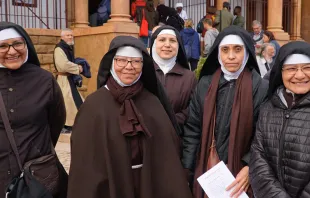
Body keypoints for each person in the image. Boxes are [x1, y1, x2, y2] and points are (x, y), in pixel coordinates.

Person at [67, 36, 192, 198]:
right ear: (112, 63)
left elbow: (167, 154)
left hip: (150, 185)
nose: (129, 67)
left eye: (136, 62)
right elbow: (84, 164)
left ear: (143, 65)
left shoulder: (152, 102)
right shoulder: (93, 106)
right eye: (121, 60)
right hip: (110, 186)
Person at [182, 26, 268, 198]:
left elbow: (264, 134)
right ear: (218, 54)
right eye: (225, 50)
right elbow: (193, 129)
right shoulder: (205, 85)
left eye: (238, 50)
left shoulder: (260, 87)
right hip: (207, 170)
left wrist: (250, 166)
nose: (231, 56)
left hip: (242, 172)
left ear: (247, 53)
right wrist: (187, 169)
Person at [0, 22, 67, 197]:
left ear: (26, 44)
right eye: (3, 46)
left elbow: (56, 121)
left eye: (17, 44)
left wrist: (38, 149)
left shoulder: (44, 80)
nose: (12, 51)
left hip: (36, 178)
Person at [250, 41, 310, 198]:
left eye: (307, 68)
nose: (299, 75)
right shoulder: (268, 107)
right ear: (280, 72)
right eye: (291, 68)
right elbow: (259, 157)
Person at [150, 25, 197, 136]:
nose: (167, 45)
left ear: (178, 45)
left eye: (172, 40)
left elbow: (194, 108)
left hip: (177, 138)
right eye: (162, 40)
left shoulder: (189, 77)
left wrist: (172, 121)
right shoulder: (142, 72)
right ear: (153, 44)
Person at [54, 29, 84, 133]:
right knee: (66, 101)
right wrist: (77, 68)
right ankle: (65, 125)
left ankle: (72, 124)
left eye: (71, 35)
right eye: (68, 35)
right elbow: (63, 64)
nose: (70, 37)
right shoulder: (59, 48)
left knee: (73, 100)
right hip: (63, 80)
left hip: (69, 78)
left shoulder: (68, 47)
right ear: (62, 37)